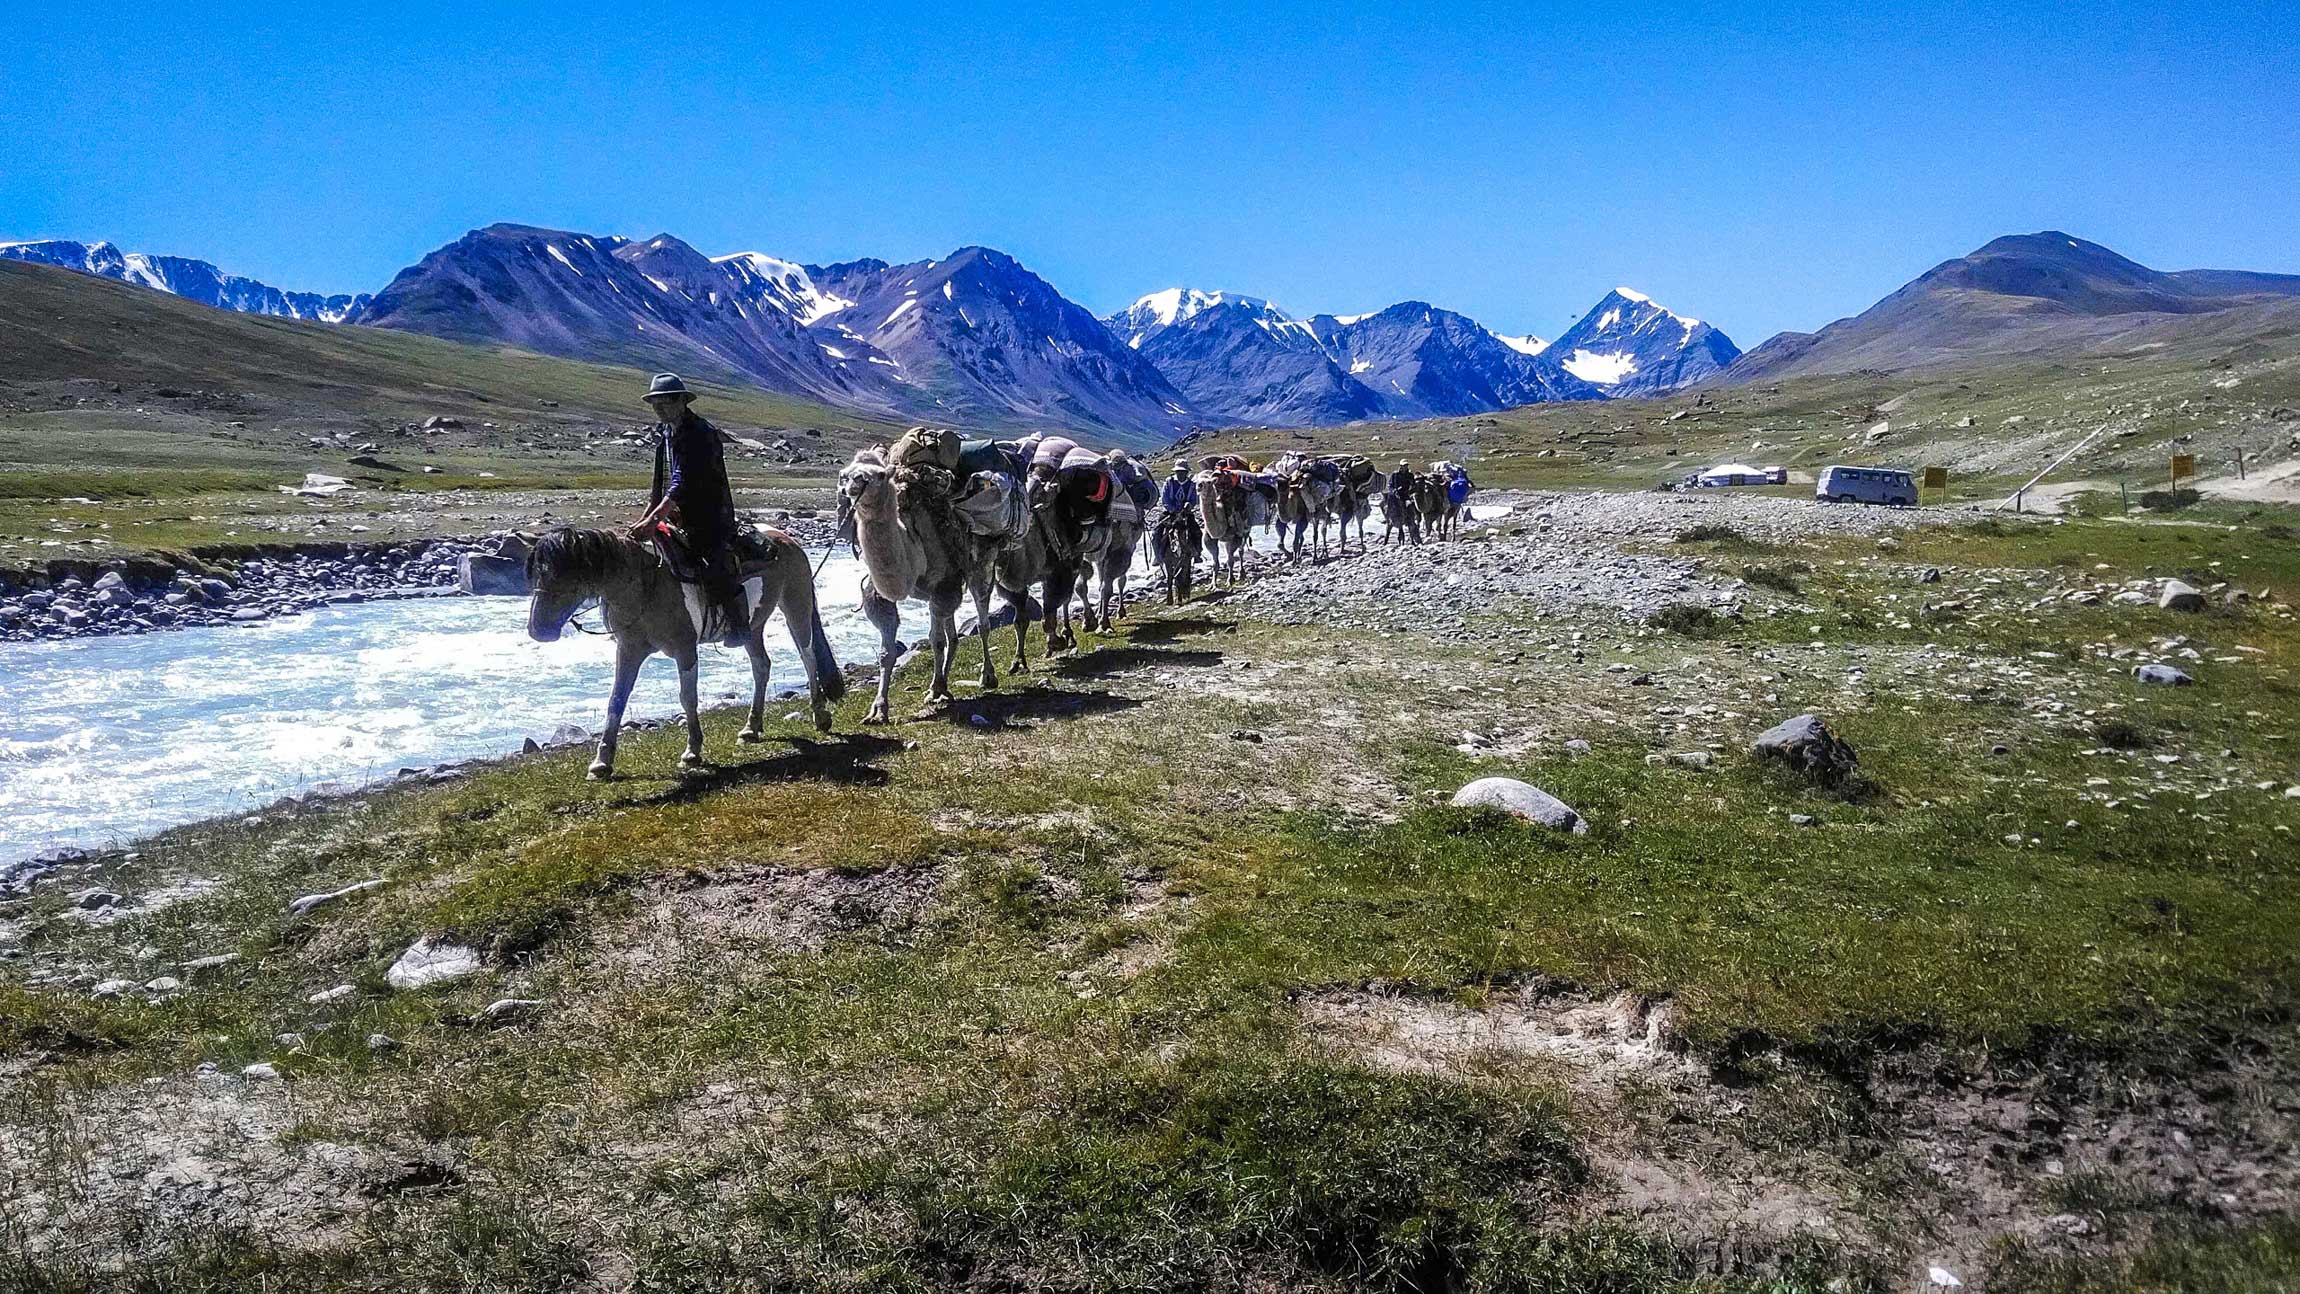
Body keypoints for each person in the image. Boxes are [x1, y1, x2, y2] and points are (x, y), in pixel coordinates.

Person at [631, 372, 745, 645]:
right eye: (655, 402)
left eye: (666, 401)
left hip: (709, 515)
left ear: (681, 401)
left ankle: (737, 624)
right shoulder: (666, 434)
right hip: (675, 514)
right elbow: (660, 483)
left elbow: (682, 481)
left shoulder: (700, 433)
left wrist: (655, 517)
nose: (659, 407)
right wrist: (645, 518)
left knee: (712, 559)